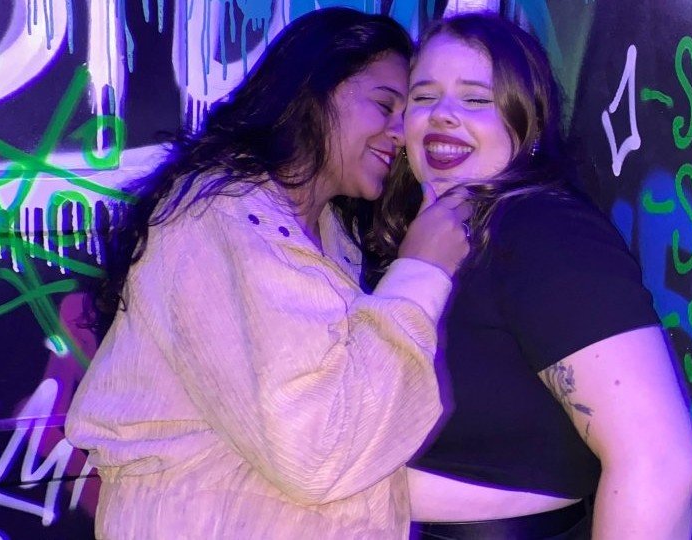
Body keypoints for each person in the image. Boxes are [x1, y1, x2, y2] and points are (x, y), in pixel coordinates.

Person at [65, 8, 471, 538]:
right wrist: (421, 273)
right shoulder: (223, 215)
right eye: (384, 105)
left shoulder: (327, 233)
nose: (401, 132)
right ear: (312, 93)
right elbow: (317, 451)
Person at [371, 13, 692, 539]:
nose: (443, 115)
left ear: (526, 120)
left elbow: (660, 463)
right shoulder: (415, 237)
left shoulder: (544, 231)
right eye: (424, 96)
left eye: (475, 99)